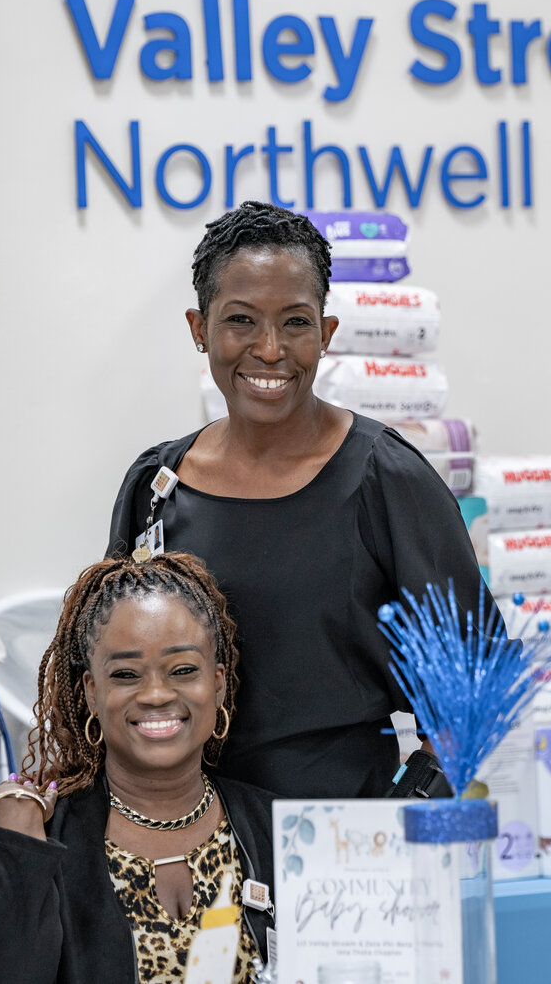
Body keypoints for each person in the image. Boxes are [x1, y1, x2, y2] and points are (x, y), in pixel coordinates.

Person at [107, 202, 485, 799]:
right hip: (187, 840)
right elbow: (111, 667)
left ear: (326, 334)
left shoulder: (384, 480)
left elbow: (472, 677)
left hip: (342, 843)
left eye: (296, 322)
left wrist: (404, 811)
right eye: (241, 320)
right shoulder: (157, 486)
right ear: (198, 328)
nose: (270, 349)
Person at [0, 553, 277, 984]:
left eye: (182, 670)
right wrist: (19, 842)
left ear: (218, 684)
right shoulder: (35, 838)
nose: (156, 694)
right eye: (126, 675)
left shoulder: (279, 829)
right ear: (91, 692)